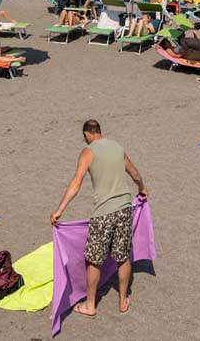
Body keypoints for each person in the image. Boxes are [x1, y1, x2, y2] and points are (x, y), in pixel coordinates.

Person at [49, 120, 148, 318]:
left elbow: (76, 183)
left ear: (87, 134)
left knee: (94, 261)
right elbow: (134, 172)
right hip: (123, 210)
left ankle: (90, 304)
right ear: (100, 132)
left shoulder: (88, 152)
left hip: (103, 213)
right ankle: (122, 301)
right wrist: (142, 188)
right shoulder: (117, 147)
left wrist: (59, 210)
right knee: (122, 257)